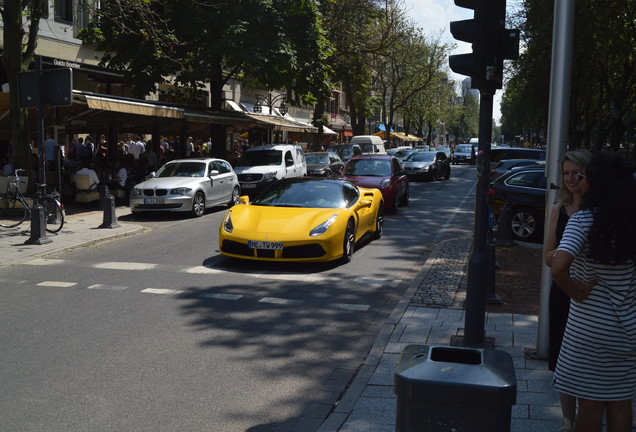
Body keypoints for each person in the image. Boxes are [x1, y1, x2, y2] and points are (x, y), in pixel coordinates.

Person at [552, 151, 636, 432]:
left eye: (584, 176)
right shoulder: (630, 221)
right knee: (622, 404)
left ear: (595, 184)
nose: (579, 181)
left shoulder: (584, 221)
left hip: (589, 330)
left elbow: (558, 267)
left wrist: (576, 293)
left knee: (589, 405)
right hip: (627, 329)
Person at [543, 149, 592, 432]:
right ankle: (568, 420)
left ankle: (589, 414)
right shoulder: (558, 210)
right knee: (562, 355)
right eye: (566, 173)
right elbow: (548, 257)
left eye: (577, 173)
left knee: (586, 358)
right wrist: (564, 255)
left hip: (591, 293)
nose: (571, 179)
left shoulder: (601, 211)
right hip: (563, 290)